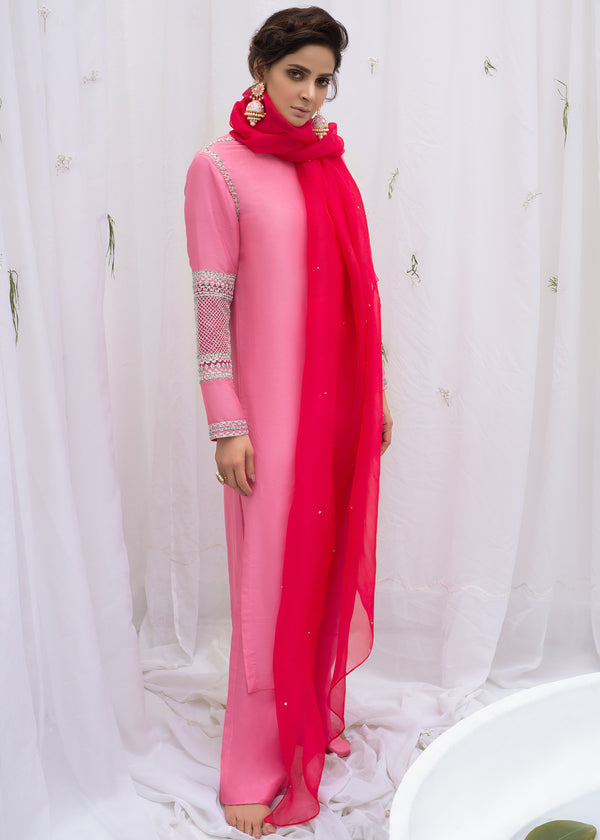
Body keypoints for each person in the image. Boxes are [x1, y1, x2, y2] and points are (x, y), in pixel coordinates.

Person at [184, 7, 392, 837]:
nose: (309, 94)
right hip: (265, 421)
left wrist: (376, 392)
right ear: (261, 72)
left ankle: (304, 723)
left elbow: (360, 292)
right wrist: (225, 421)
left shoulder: (328, 166)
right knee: (265, 582)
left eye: (323, 79)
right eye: (295, 74)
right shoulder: (217, 168)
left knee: (323, 565)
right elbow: (212, 307)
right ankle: (251, 758)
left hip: (335, 407)